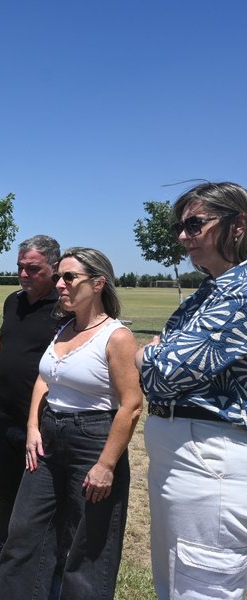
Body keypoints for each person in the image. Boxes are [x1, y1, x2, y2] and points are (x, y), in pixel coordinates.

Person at [0, 247, 143, 600]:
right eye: (59, 276)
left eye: (69, 277)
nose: (60, 284)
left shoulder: (117, 336)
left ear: (98, 283)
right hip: (48, 437)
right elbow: (44, 379)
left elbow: (132, 405)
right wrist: (33, 427)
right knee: (24, 532)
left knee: (87, 545)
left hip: (93, 441)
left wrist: (106, 465)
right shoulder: (64, 328)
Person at [137, 182, 247, 600]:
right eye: (180, 227)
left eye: (195, 224)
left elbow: (162, 372)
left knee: (201, 586)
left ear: (239, 224)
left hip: (211, 459)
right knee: (176, 581)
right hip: (188, 457)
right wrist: (156, 354)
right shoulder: (210, 291)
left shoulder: (241, 290)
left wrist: (146, 355)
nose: (183, 237)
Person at [0, 235, 60, 578]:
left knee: (39, 491)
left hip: (41, 417)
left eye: (33, 268)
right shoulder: (12, 302)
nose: (23, 274)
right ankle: (3, 549)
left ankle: (38, 556)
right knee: (6, 486)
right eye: (20, 267)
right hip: (5, 410)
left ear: (54, 267)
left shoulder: (63, 307)